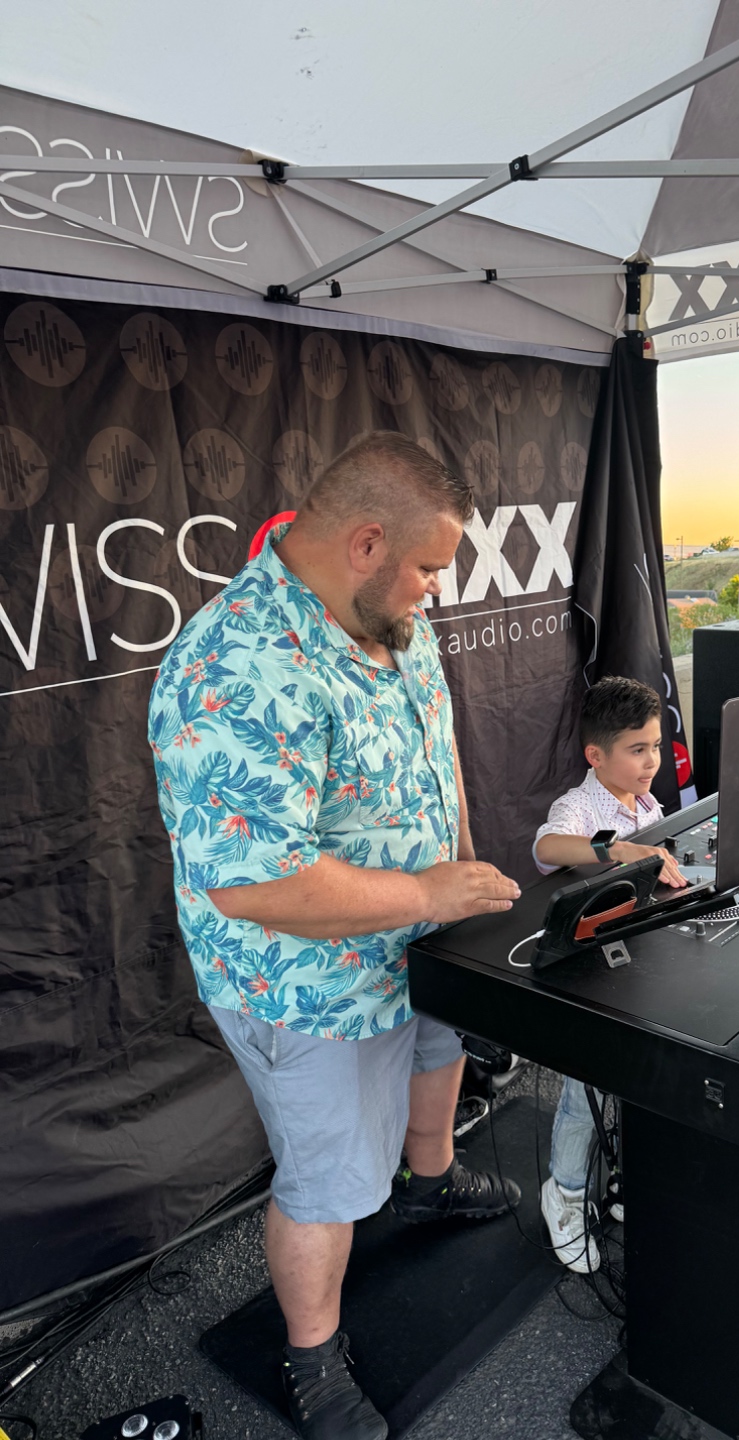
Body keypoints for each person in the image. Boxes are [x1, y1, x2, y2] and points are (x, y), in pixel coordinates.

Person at [148, 431, 522, 1440]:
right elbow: (255, 887)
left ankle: (432, 1179)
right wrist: (426, 894)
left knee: (439, 1053)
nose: (437, 591)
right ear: (365, 543)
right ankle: (310, 1358)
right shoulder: (236, 666)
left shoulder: (389, 615)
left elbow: (437, 753)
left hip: (420, 936)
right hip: (307, 986)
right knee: (328, 1181)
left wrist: (463, 889)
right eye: (429, 568)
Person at [532, 677, 686, 1271]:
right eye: (637, 750)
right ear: (596, 756)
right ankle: (565, 1195)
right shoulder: (581, 807)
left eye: (656, 746)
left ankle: (622, 1176)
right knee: (585, 1092)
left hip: (633, 966)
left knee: (633, 1081)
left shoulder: (644, 802)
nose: (652, 762)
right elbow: (550, 845)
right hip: (586, 979)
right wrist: (615, 849)